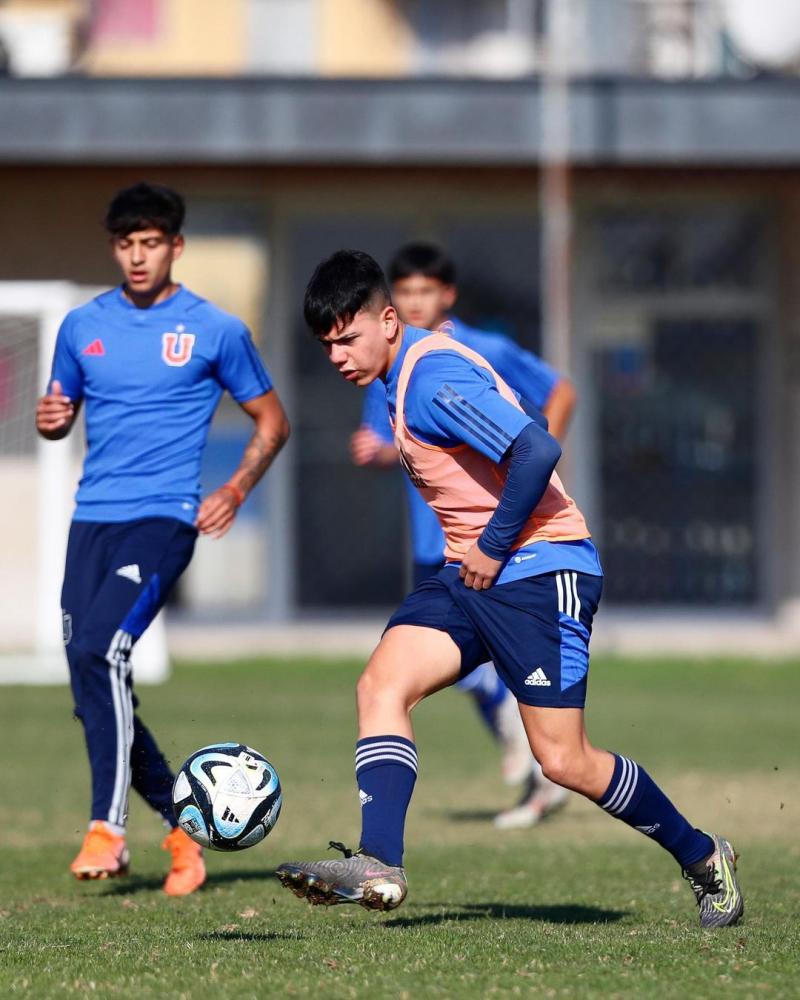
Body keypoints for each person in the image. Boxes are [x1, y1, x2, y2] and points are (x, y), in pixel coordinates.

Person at [277, 249, 743, 929]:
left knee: (564, 760)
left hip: (541, 570)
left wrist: (495, 546)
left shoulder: (430, 376)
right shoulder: (398, 377)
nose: (340, 357)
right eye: (328, 346)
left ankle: (703, 856)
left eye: (349, 339)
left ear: (387, 319)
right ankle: (379, 862)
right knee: (381, 686)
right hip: (470, 573)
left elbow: (537, 449)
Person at [35, 183, 290, 895]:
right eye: (126, 244)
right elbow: (56, 414)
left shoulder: (216, 329)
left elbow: (273, 422)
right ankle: (182, 831)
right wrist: (52, 418)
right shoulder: (82, 325)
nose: (138, 256)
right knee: (95, 685)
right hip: (93, 520)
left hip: (165, 518)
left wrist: (235, 488)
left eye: (151, 243)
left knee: (100, 651)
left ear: (176, 246)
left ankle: (108, 830)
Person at [351, 242, 576, 829]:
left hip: (508, 546)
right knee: (393, 681)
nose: (414, 302)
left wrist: (531, 467)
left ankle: (533, 757)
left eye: (424, 291)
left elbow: (549, 410)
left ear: (445, 295)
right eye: (404, 293)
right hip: (442, 547)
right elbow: (408, 445)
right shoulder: (387, 369)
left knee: (559, 747)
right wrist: (377, 453)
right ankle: (381, 858)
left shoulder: (470, 353)